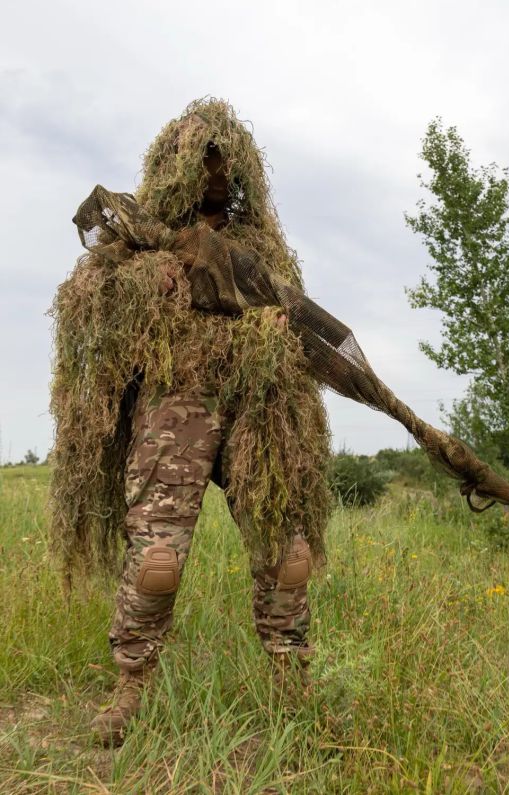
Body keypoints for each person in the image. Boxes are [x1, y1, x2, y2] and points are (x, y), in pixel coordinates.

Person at [50, 99, 332, 745]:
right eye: (202, 157)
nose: (215, 171)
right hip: (175, 407)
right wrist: (160, 277)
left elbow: (297, 322)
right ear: (174, 164)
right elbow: (98, 308)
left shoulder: (260, 247)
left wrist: (275, 330)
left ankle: (292, 673)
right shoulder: (136, 241)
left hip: (262, 409)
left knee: (287, 552)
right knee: (157, 559)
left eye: (225, 159)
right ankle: (131, 680)